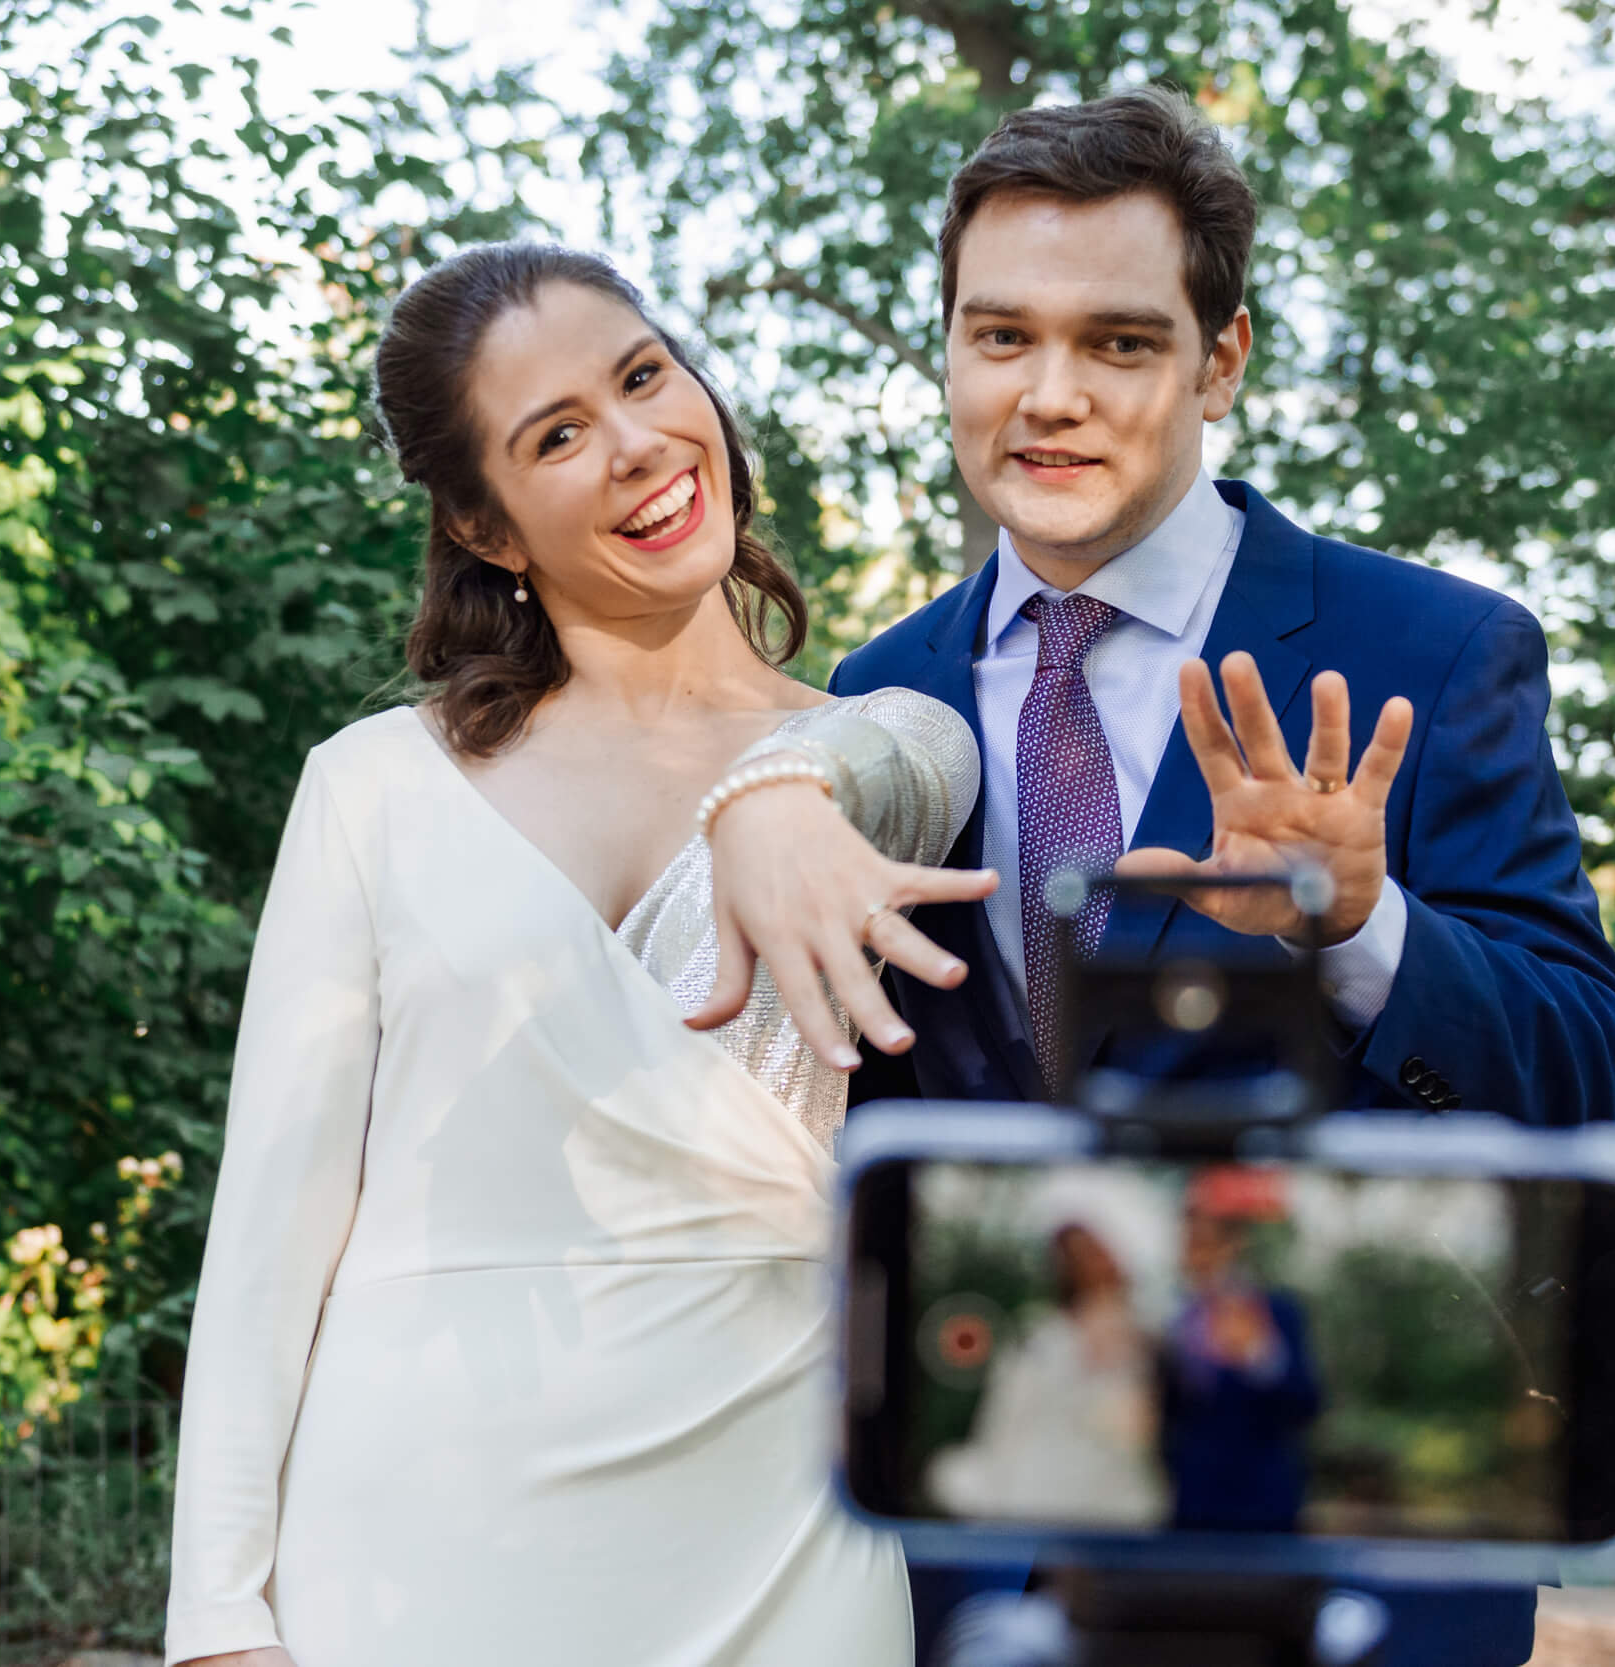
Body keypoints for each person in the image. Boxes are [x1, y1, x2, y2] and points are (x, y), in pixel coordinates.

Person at [704, 88, 1615, 1667]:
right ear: (946, 349)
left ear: (1222, 360)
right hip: (972, 1528)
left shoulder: (1430, 650)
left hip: (1353, 1526)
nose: (1049, 396)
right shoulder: (874, 704)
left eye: (1122, 343)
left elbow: (1595, 1085)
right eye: (999, 336)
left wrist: (1365, 927)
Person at [161, 242, 1000, 1667]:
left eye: (643, 375)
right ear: (487, 527)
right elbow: (268, 1227)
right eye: (557, 435)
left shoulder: (889, 741)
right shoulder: (370, 786)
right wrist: (218, 1620)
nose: (637, 446)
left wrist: (777, 783)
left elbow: (910, 747)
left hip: (780, 1527)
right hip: (416, 1535)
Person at [927, 1218, 1167, 1528]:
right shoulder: (1040, 1333)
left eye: (1094, 1252)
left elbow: (1135, 1426)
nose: (1089, 1266)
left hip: (1102, 1495)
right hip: (1039, 1489)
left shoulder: (1138, 1331)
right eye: (1077, 1256)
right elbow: (1008, 1415)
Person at [1158, 1178, 1322, 1534]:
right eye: (1189, 1244)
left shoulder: (1279, 1312)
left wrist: (1258, 1353)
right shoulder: (1175, 1321)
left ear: (1235, 1245)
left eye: (1206, 1244)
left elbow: (1306, 1404)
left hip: (1265, 1510)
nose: (1196, 1257)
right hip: (1192, 1512)